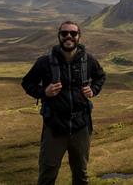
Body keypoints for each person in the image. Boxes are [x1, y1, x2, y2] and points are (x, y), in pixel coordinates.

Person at [22, 20, 106, 185]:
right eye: (64, 33)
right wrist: (43, 92)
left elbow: (101, 77)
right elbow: (27, 83)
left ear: (79, 37)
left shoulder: (88, 60)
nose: (69, 36)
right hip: (54, 126)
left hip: (81, 125)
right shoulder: (45, 62)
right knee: (48, 173)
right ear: (59, 36)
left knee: (81, 174)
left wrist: (93, 90)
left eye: (73, 33)